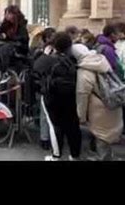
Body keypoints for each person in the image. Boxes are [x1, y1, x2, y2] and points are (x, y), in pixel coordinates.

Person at [73, 43, 123, 160]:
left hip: (98, 108)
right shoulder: (101, 60)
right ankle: (108, 156)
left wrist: (81, 116)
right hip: (112, 101)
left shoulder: (84, 71)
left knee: (101, 136)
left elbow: (82, 95)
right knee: (109, 134)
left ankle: (104, 158)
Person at [36, 32, 81, 161]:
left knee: (55, 125)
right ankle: (75, 155)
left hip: (52, 96)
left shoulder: (49, 59)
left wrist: (45, 53)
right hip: (70, 95)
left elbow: (36, 67)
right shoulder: (73, 59)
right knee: (72, 125)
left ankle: (56, 155)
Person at [31, 27, 56, 150]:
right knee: (44, 114)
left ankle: (50, 138)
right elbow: (37, 67)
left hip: (51, 85)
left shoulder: (56, 51)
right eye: (52, 36)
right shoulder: (39, 52)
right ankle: (44, 138)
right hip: (43, 85)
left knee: (49, 114)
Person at [0, 5, 29, 85]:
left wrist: (8, 38)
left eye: (9, 13)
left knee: (4, 48)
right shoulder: (5, 24)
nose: (7, 16)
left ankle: (3, 71)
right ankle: (0, 72)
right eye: (6, 14)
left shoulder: (21, 26)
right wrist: (2, 37)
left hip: (19, 47)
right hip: (7, 46)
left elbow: (22, 39)